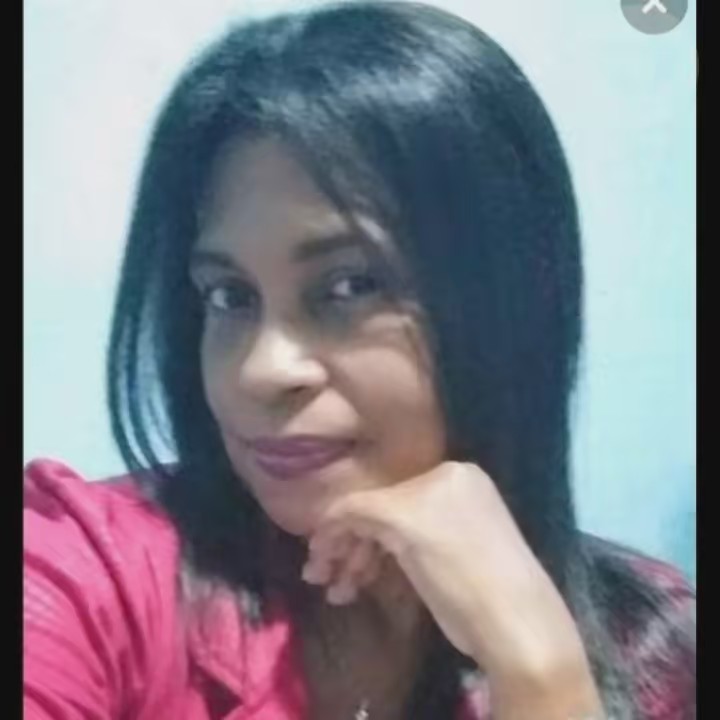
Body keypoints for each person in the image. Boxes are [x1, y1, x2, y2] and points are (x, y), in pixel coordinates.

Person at [23, 2, 696, 718]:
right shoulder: (83, 572)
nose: (260, 371)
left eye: (350, 287)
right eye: (229, 296)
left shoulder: (651, 646)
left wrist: (540, 674)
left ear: (508, 303)